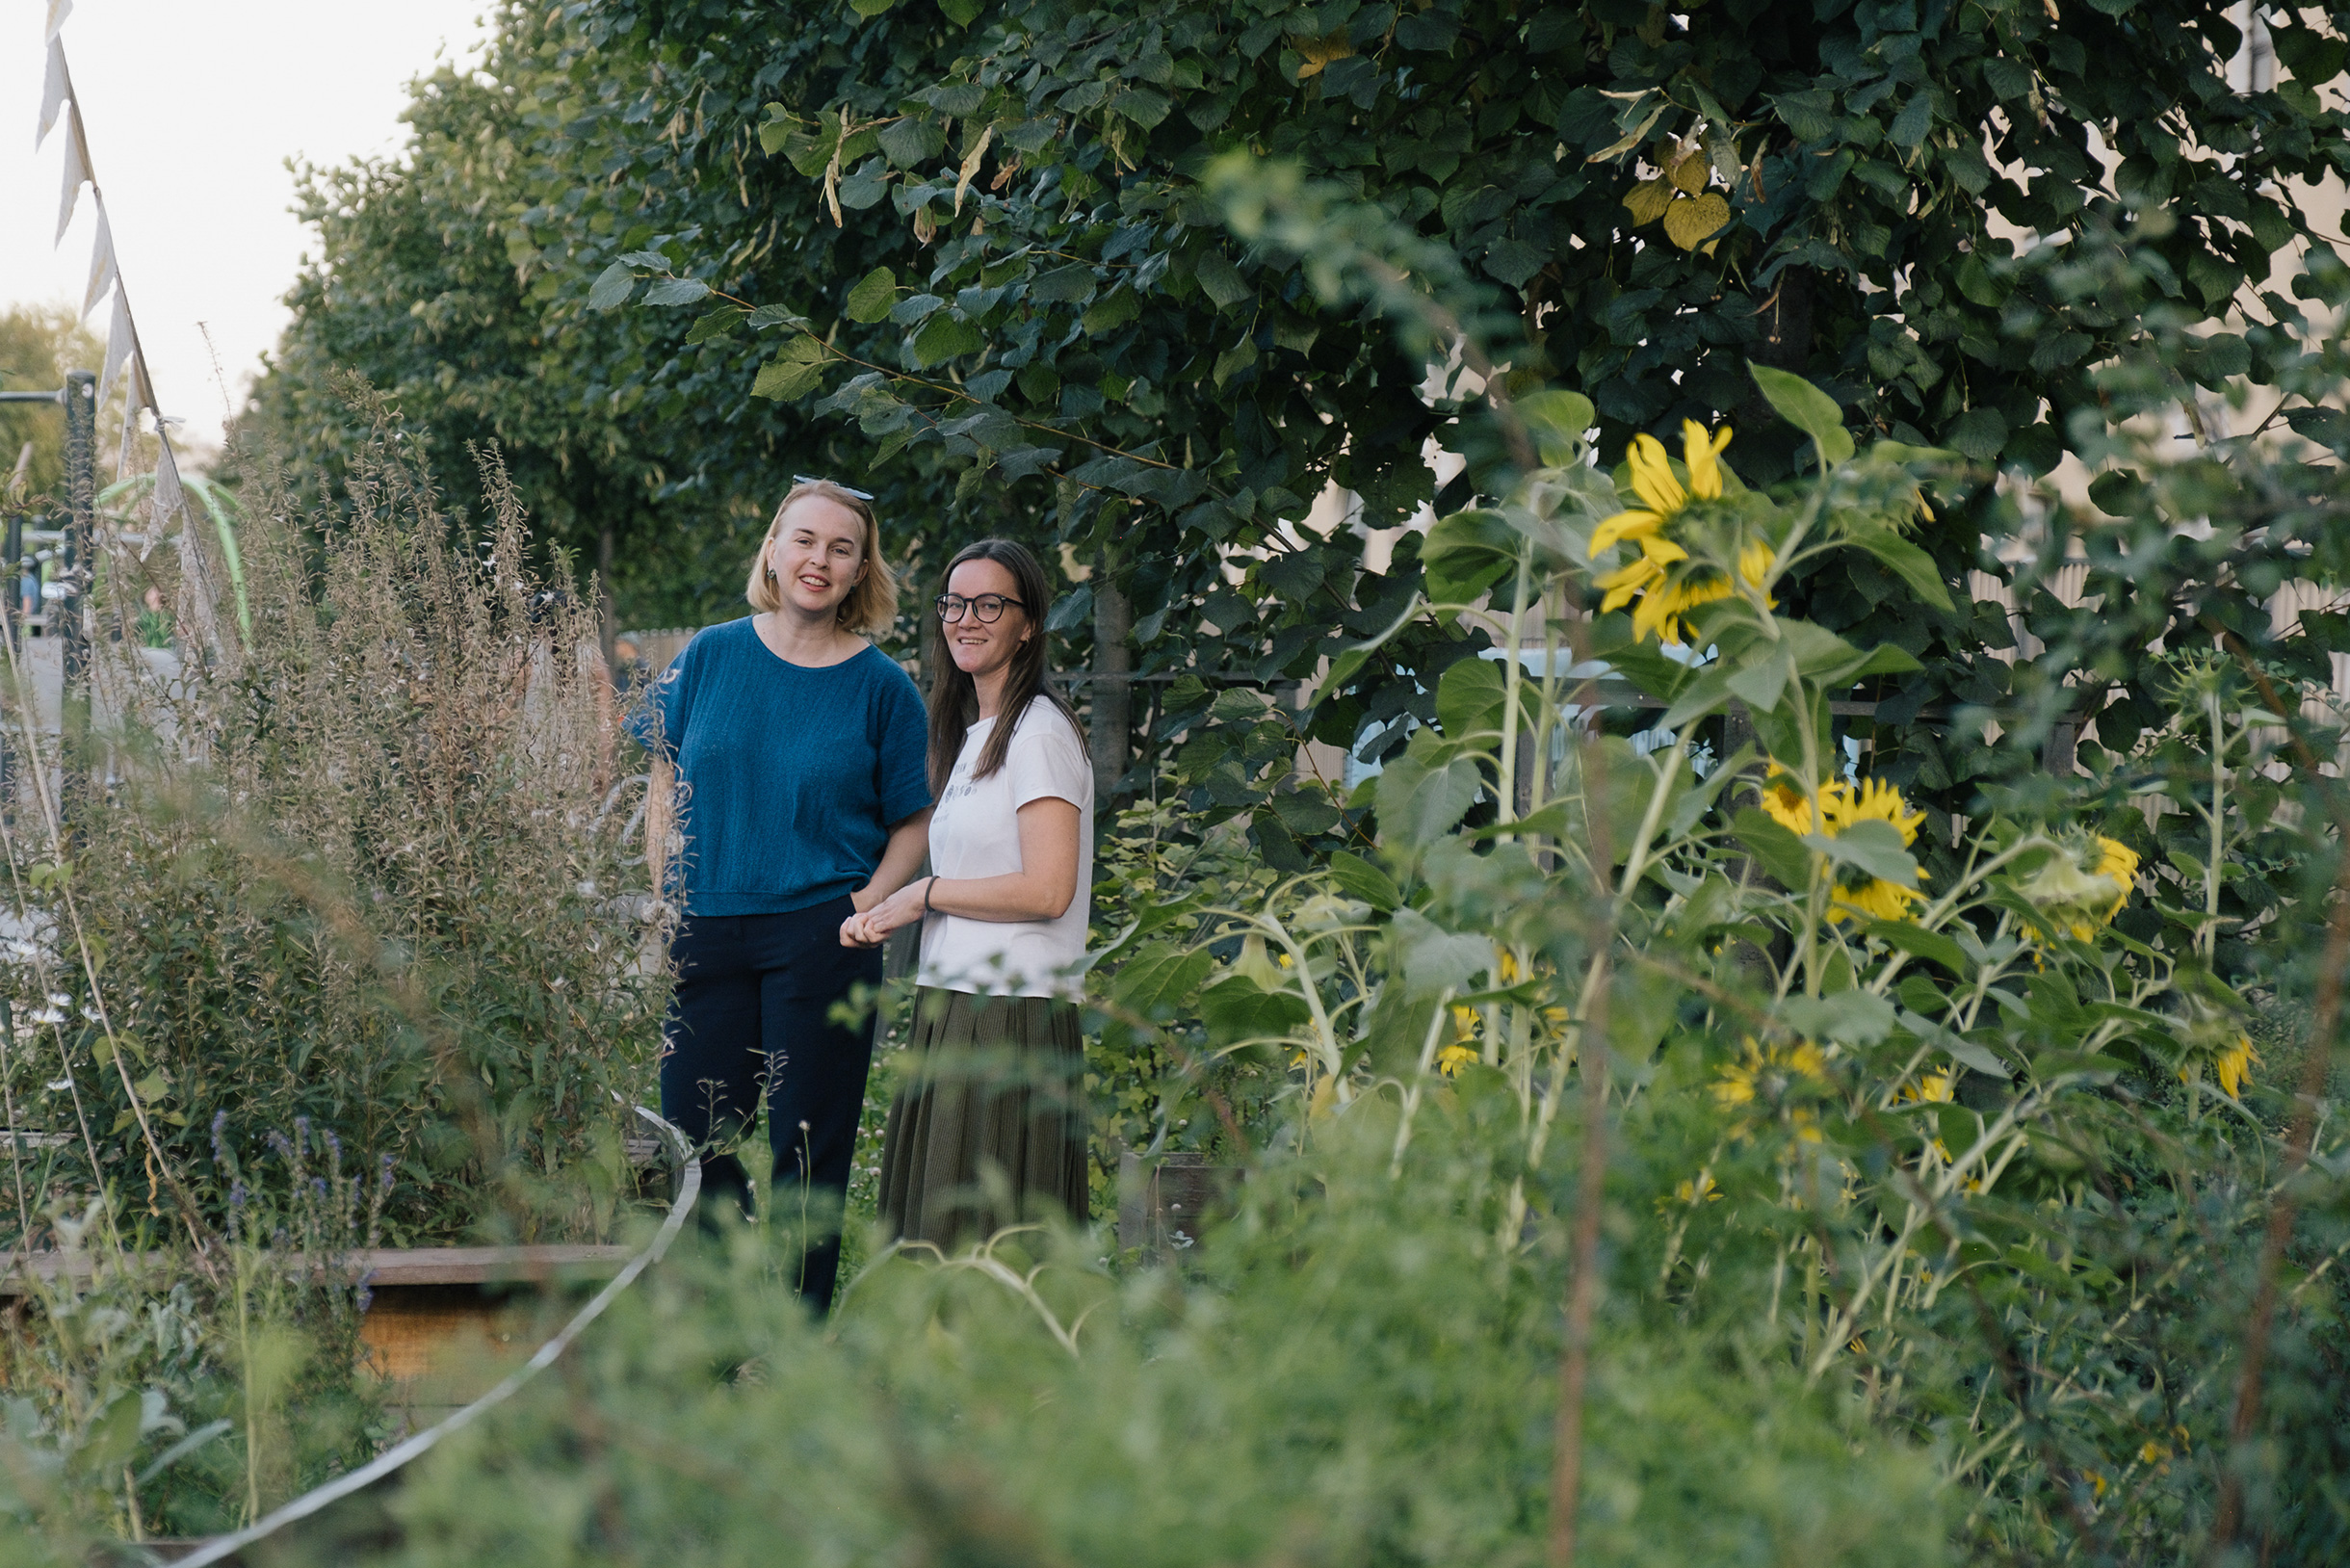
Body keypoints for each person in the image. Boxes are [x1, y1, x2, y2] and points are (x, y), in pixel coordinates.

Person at [641, 479, 931, 1310]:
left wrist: (867, 905)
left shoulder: (884, 689)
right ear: (773, 548)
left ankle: (801, 1341)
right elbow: (663, 780)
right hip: (704, 927)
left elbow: (913, 821)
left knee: (809, 1145)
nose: (820, 560)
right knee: (699, 1143)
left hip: (820, 936)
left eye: (842, 549)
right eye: (805, 540)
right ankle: (725, 1329)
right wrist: (664, 894)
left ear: (859, 570)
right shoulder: (709, 654)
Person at [842, 538, 1092, 1250]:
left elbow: (1048, 889)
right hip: (955, 998)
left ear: (1029, 624)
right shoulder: (977, 735)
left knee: (990, 1233)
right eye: (954, 603)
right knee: (942, 1227)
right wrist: (881, 905)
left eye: (991, 604)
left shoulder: (1039, 734)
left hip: (1010, 1010)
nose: (966, 619)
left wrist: (924, 896)